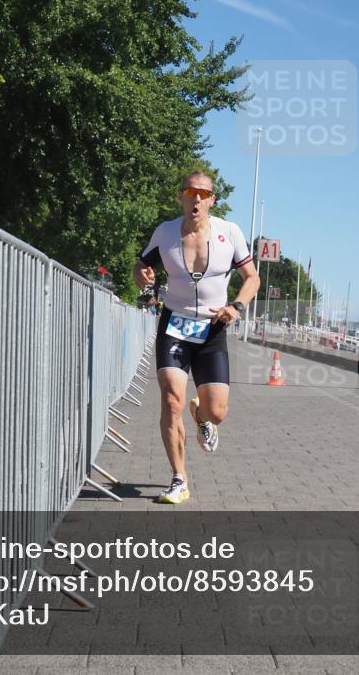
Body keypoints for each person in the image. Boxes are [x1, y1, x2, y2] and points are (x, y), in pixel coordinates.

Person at [132, 171, 260, 504]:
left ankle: (202, 415)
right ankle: (179, 479)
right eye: (191, 192)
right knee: (171, 398)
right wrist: (144, 283)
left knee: (218, 412)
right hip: (174, 323)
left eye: (204, 194)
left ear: (212, 200)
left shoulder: (229, 233)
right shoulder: (165, 233)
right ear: (181, 197)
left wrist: (237, 306)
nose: (197, 199)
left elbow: (252, 278)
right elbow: (139, 267)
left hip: (212, 328)